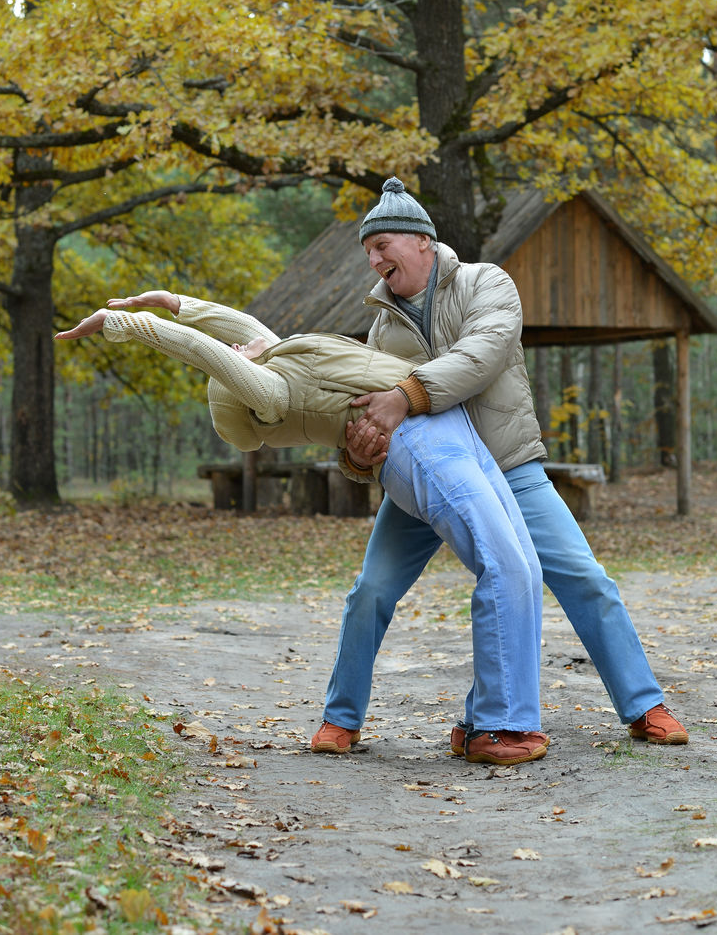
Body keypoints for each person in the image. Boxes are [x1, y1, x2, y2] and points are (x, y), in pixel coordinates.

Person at [55, 290, 548, 766]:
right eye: (236, 360)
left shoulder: (282, 355)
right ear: (241, 386)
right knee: (503, 566)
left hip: (455, 427)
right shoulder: (274, 394)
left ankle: (380, 720)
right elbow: (207, 353)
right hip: (419, 443)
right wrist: (126, 326)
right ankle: (497, 727)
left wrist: (171, 302)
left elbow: (235, 329)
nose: (238, 347)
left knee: (511, 566)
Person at [313, 177, 689, 756]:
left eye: (383, 243)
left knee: (584, 579)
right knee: (370, 592)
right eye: (368, 250)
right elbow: (364, 415)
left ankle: (644, 705)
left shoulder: (487, 283)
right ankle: (341, 718)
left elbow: (481, 355)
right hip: (423, 485)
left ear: (421, 241)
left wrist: (406, 394)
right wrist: (359, 459)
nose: (374, 258)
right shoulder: (381, 327)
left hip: (509, 467)